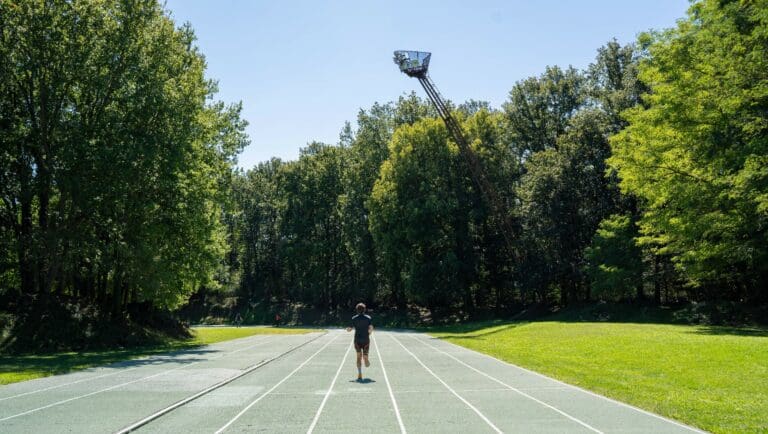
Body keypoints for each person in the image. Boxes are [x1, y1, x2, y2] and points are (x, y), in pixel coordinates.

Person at [346, 302, 373, 381]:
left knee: (358, 356)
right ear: (364, 310)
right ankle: (366, 357)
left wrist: (348, 329)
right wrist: (369, 333)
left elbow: (350, 329)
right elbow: (371, 328)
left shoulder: (354, 318)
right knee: (365, 354)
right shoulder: (368, 318)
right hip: (366, 339)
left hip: (357, 340)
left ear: (357, 310)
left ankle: (360, 373)